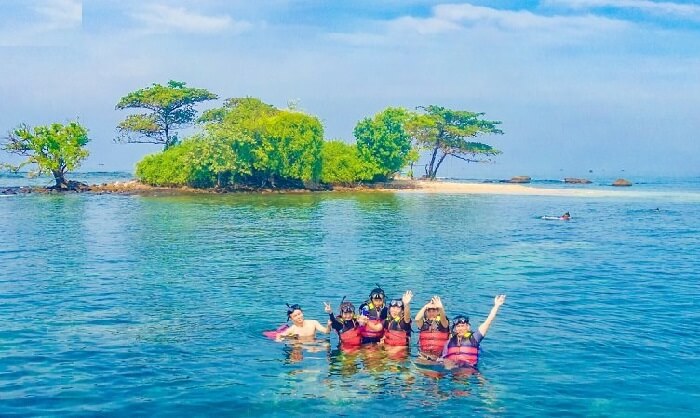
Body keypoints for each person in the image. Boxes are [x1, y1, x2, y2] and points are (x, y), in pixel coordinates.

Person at [441, 294, 506, 368]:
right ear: (455, 328)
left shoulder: (475, 337)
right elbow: (444, 358)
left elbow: (488, 321)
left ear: (468, 327)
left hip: (469, 369)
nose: (460, 328)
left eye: (462, 326)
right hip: (452, 369)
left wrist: (496, 306)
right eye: (458, 326)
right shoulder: (449, 342)